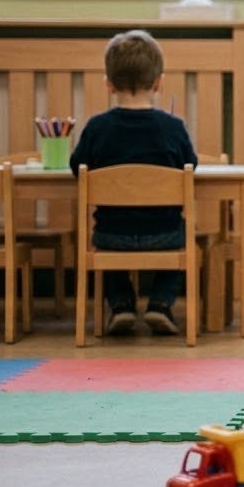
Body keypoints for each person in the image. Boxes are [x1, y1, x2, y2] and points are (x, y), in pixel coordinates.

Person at [70, 29, 198, 336]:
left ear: (108, 83)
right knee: (187, 236)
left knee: (103, 243)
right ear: (159, 83)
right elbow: (191, 166)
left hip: (112, 234)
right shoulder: (173, 127)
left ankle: (121, 304)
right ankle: (160, 304)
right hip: (164, 234)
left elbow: (78, 167)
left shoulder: (97, 128)